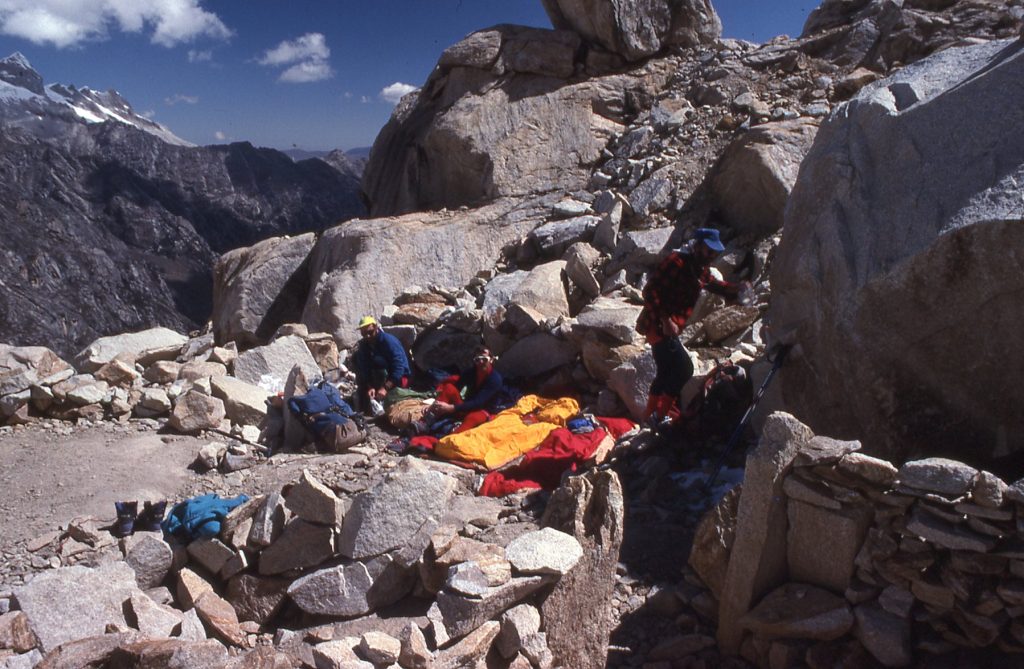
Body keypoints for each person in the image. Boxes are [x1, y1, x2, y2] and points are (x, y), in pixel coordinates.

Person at [636, 227, 748, 426]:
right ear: (697, 246)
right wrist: (665, 319)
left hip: (666, 326)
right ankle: (659, 417)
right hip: (658, 324)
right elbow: (650, 291)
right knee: (683, 369)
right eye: (708, 251)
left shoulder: (698, 268)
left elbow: (712, 284)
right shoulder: (676, 262)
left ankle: (651, 415)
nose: (711, 255)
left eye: (714, 253)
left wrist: (736, 289)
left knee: (665, 371)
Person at [431, 347, 520, 420]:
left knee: (473, 418)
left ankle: (448, 439)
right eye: (478, 359)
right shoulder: (470, 373)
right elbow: (456, 388)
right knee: (449, 387)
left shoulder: (495, 379)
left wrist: (451, 408)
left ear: (491, 360)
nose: (481, 362)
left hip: (483, 410)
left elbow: (478, 402)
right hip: (467, 406)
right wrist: (436, 404)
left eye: (484, 359)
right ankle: (428, 419)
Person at [352, 315, 411, 414]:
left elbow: (399, 368)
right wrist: (369, 386)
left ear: (376, 328)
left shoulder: (389, 342)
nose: (367, 336)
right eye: (364, 333)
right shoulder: (364, 344)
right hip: (380, 376)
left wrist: (385, 388)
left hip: (398, 377)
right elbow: (364, 366)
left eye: (370, 332)